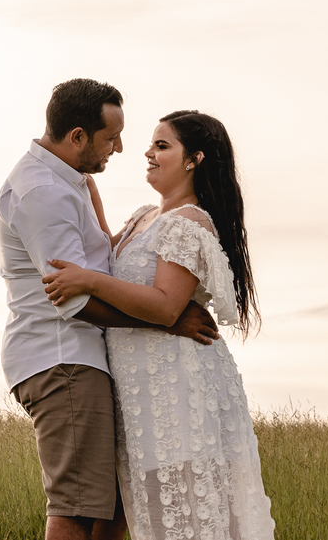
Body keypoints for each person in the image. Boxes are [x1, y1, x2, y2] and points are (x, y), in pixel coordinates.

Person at [0, 82, 222, 540]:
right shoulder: (44, 193)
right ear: (77, 136)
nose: (120, 148)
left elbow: (101, 254)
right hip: (63, 357)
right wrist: (170, 320)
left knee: (113, 504)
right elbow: (74, 298)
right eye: (110, 137)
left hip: (84, 359)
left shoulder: (70, 181)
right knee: (77, 505)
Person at [43, 110, 276, 540]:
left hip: (176, 382)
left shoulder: (189, 222)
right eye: (153, 144)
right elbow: (100, 249)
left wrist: (90, 280)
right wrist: (80, 178)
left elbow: (168, 306)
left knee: (185, 515)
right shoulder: (143, 217)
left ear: (194, 160)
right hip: (141, 386)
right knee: (150, 515)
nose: (148, 153)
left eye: (162, 145)